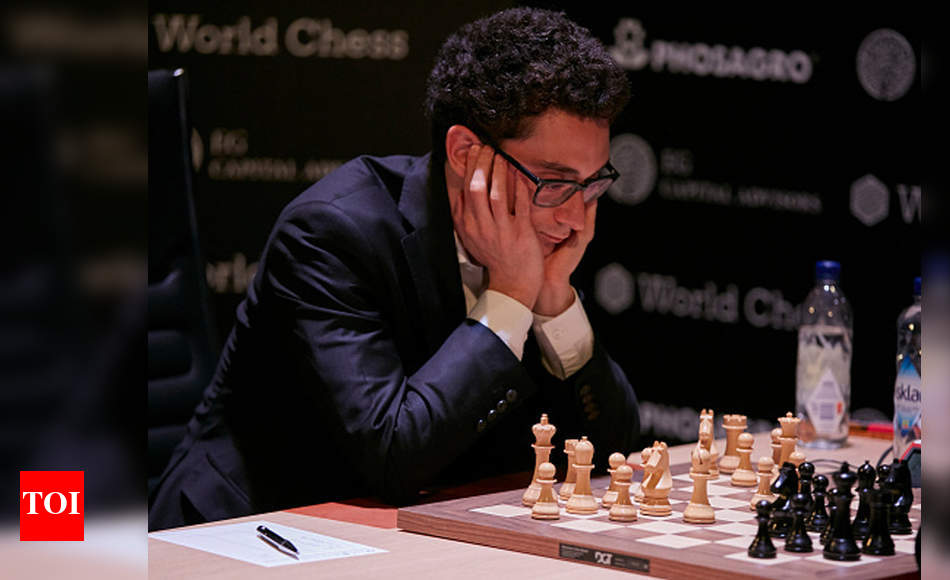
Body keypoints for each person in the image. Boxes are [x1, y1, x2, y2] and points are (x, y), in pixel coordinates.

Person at [148, 7, 640, 530]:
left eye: (593, 184)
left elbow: (612, 452)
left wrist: (553, 300)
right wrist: (513, 295)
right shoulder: (331, 235)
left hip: (416, 534)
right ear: (466, 153)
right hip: (251, 532)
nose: (574, 216)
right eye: (556, 182)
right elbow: (391, 456)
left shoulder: (546, 226)